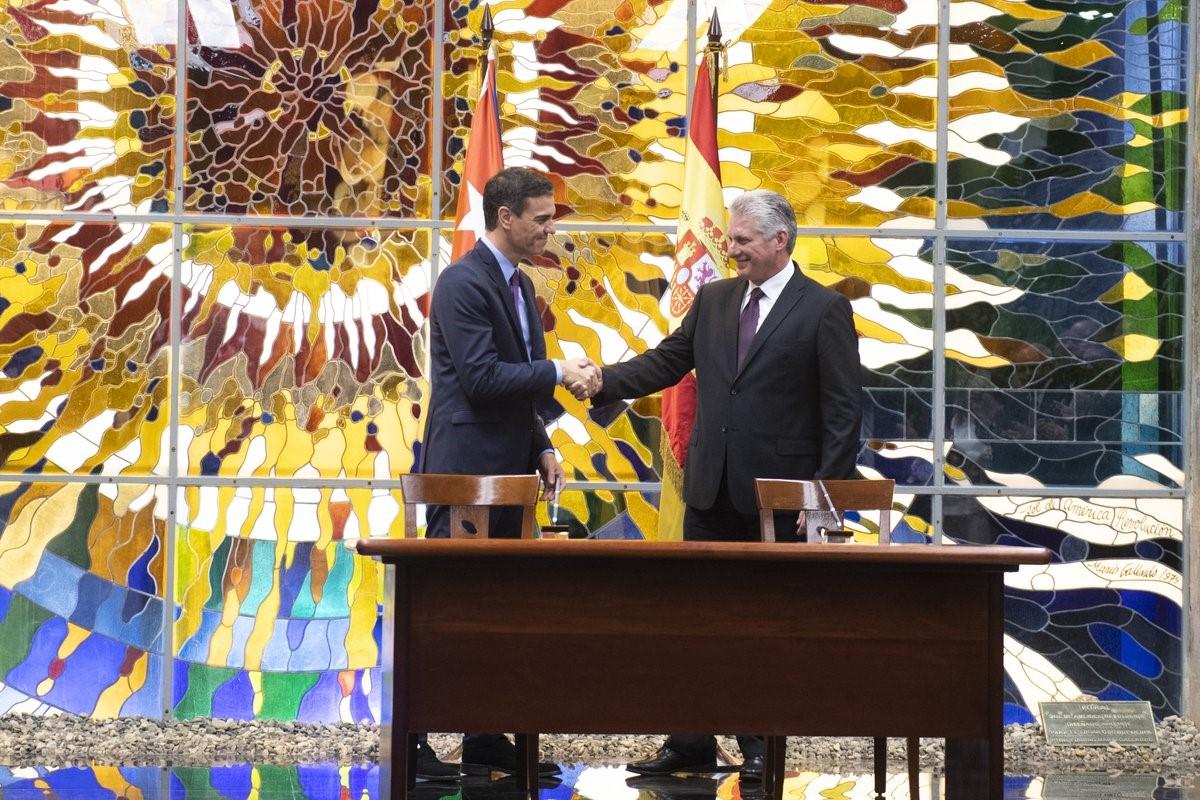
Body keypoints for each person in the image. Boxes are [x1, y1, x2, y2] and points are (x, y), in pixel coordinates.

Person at [575, 189, 863, 780]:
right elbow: (666, 362)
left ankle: (758, 742)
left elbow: (843, 413)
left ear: (779, 240)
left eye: (741, 241)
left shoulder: (823, 310)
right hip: (708, 490)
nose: (730, 250)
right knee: (696, 618)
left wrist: (821, 498)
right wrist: (605, 379)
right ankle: (689, 741)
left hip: (777, 502)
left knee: (758, 624)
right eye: (731, 240)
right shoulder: (713, 300)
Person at [415, 166, 593, 778]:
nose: (550, 228)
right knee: (453, 610)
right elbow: (483, 377)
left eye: (552, 217)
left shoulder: (518, 285)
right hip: (467, 472)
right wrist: (560, 371)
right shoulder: (464, 282)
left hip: (512, 470)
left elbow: (513, 387)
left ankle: (486, 738)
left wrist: (542, 443)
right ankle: (414, 743)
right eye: (541, 218)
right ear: (505, 218)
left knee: (500, 609)